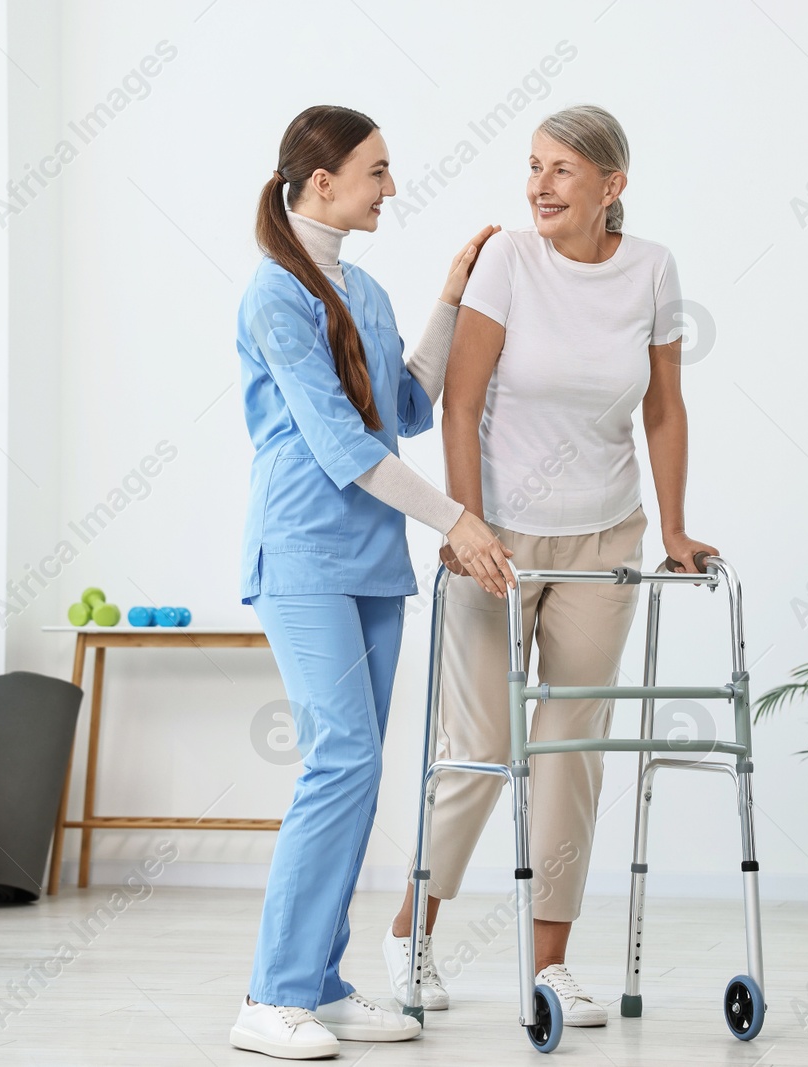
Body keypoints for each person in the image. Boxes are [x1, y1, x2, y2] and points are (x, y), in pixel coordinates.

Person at [383, 105, 718, 1026]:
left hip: (603, 539)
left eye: (562, 169)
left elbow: (663, 408)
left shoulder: (652, 267)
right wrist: (464, 527)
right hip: (496, 542)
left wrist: (676, 529)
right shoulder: (508, 261)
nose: (538, 185)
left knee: (573, 754)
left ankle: (551, 963)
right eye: (533, 166)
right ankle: (413, 931)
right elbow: (460, 402)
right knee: (484, 748)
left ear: (612, 185)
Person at [229, 104, 511, 1060]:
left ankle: (320, 982)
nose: (391, 188)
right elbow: (342, 447)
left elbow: (407, 406)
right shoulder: (274, 296)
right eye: (378, 171)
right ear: (321, 182)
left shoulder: (371, 291)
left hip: (372, 566)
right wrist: (458, 521)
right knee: (338, 760)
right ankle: (270, 997)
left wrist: (449, 296)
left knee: (357, 774)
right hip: (302, 556)